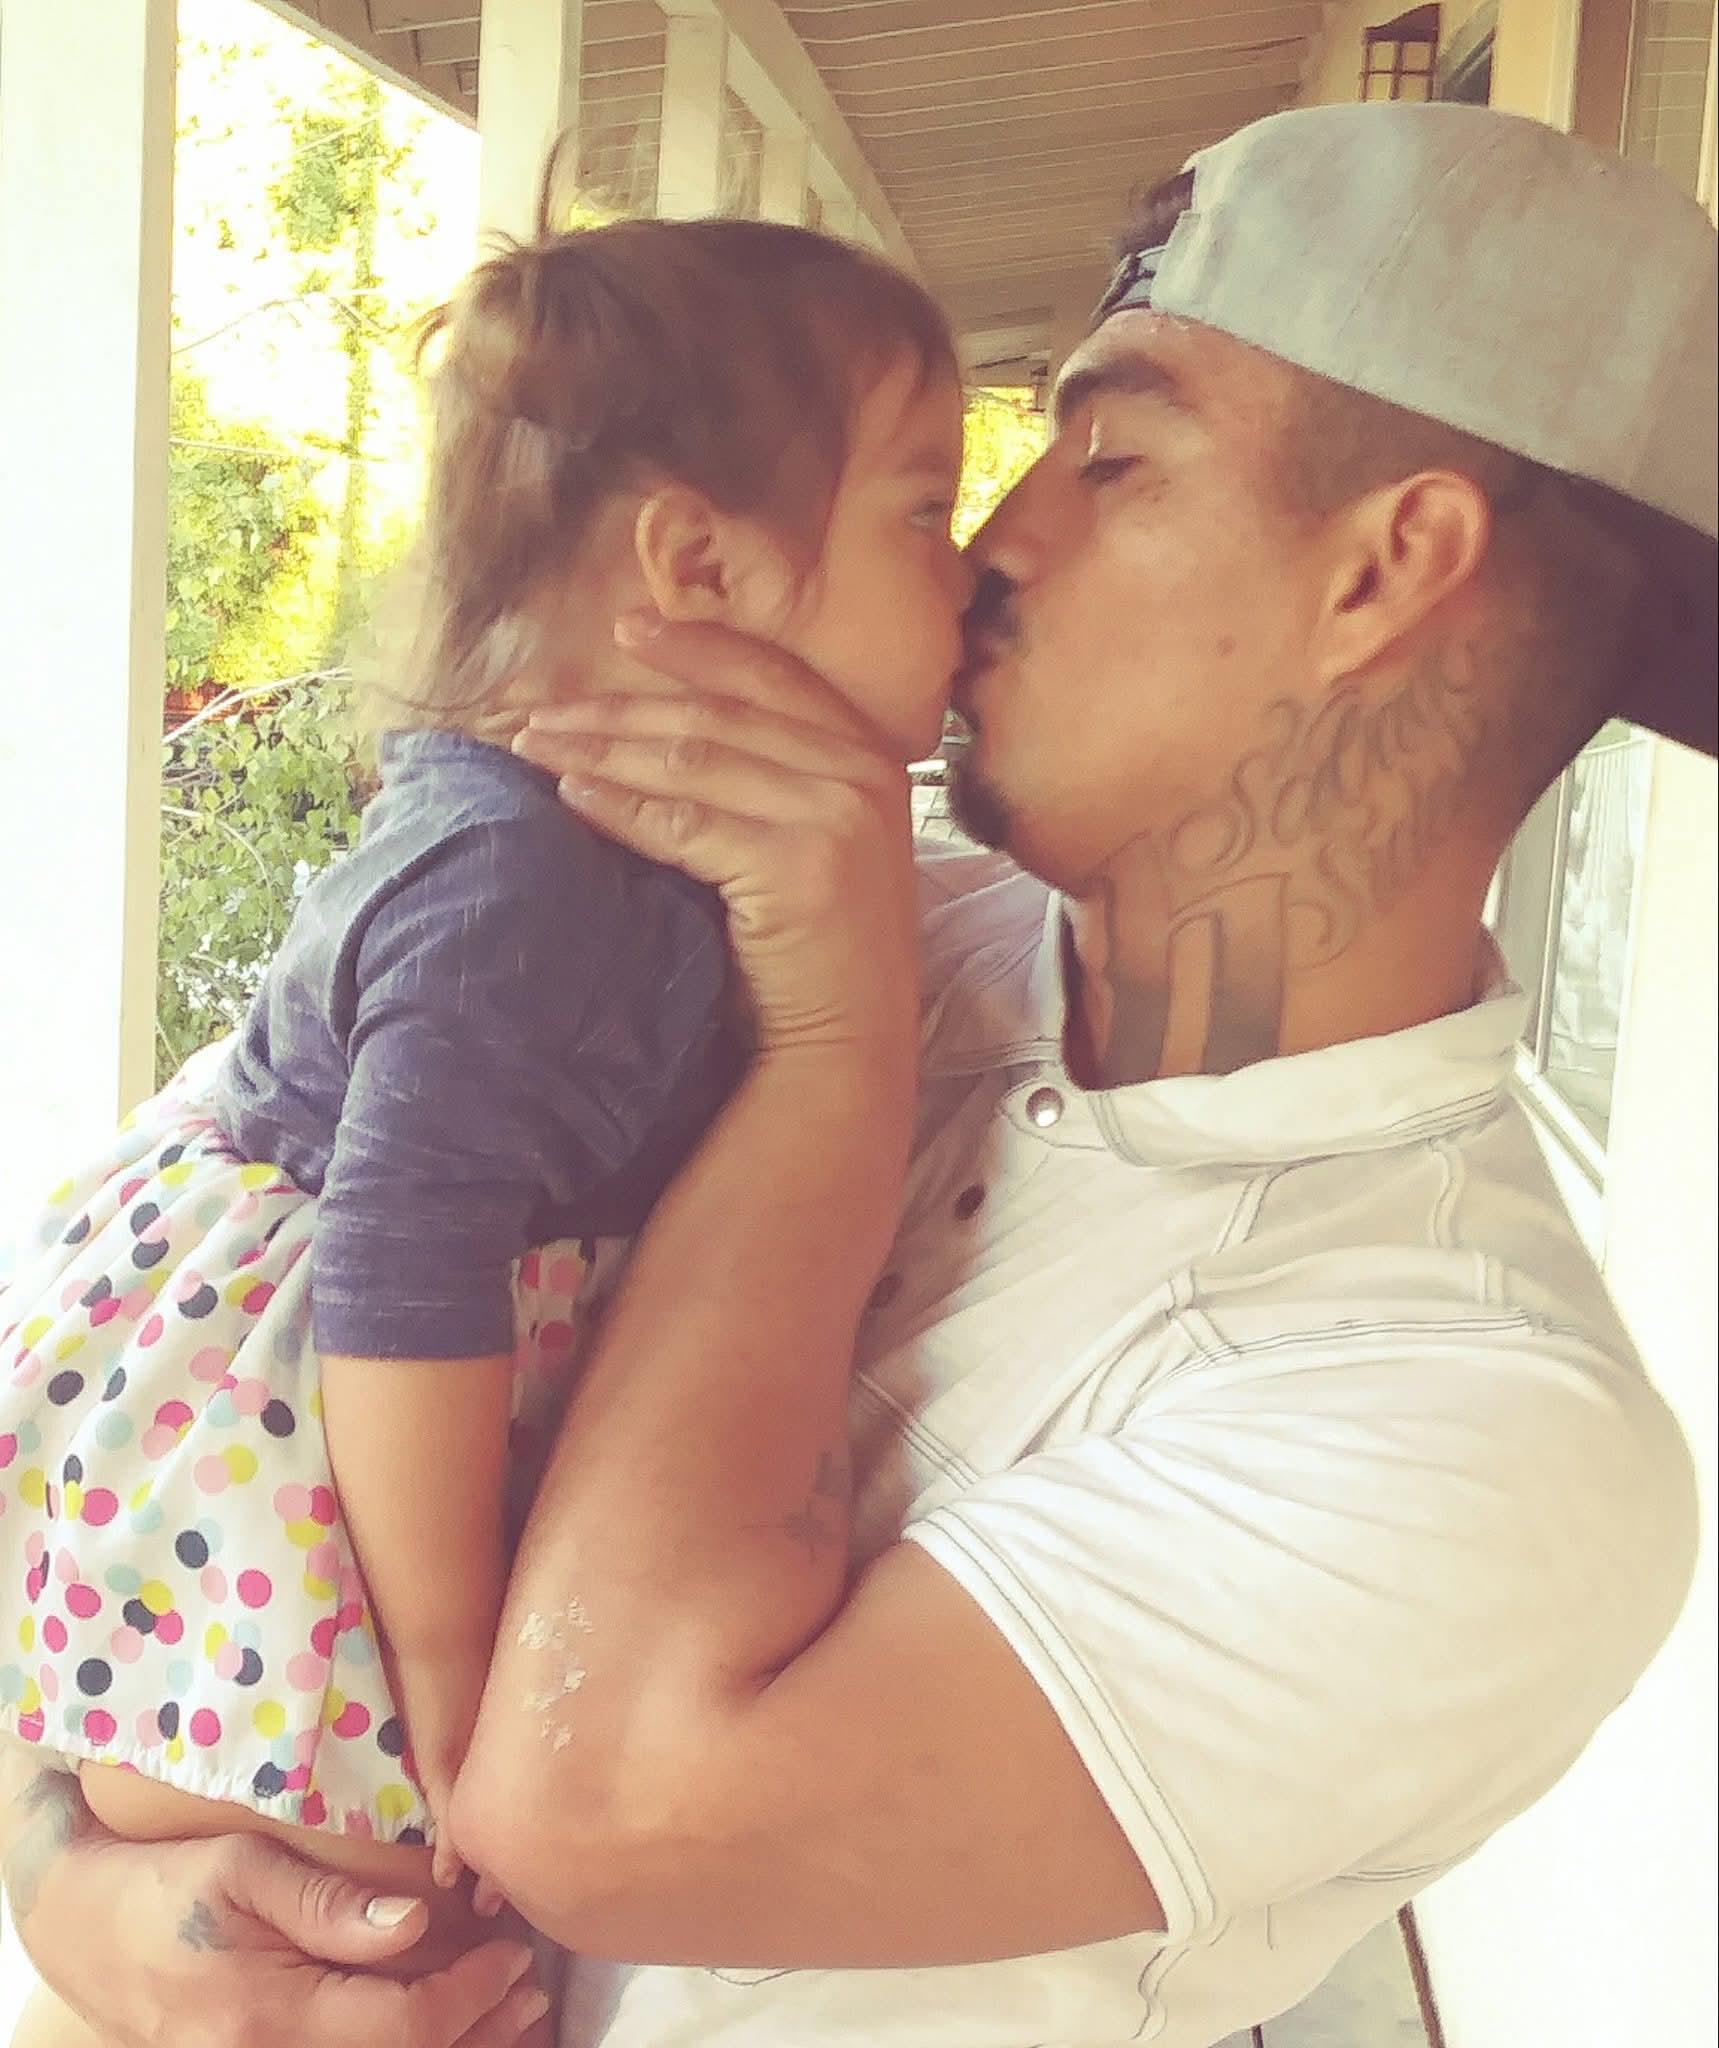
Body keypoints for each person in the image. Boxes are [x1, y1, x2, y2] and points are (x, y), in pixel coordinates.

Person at [4, 99, 1714, 2048]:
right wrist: (65, 1874)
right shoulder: (747, 911)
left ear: (1381, 569)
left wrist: (826, 1054)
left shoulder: (1475, 1426)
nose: (991, 548)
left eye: (1110, 458)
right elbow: (131, 1364)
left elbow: (581, 1801)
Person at [0, 211, 968, 2048]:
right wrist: (447, 1667)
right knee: (350, 1923)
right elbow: (398, 1260)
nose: (977, 563)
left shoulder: (610, 857)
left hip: (376, 1425)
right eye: (925, 509)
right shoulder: (530, 882)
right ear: (699, 565)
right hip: (312, 1448)